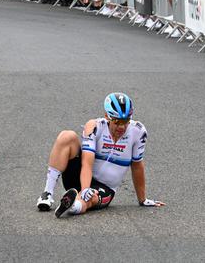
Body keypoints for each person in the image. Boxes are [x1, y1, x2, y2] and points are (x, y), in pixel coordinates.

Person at [36, 92, 164, 217]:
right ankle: (47, 194)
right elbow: (86, 162)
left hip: (105, 188)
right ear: (107, 116)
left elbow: (137, 166)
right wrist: (85, 188)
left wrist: (143, 200)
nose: (122, 126)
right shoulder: (95, 126)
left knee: (92, 197)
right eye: (117, 121)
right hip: (80, 177)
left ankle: (73, 205)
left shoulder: (138, 132)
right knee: (67, 136)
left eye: (125, 121)